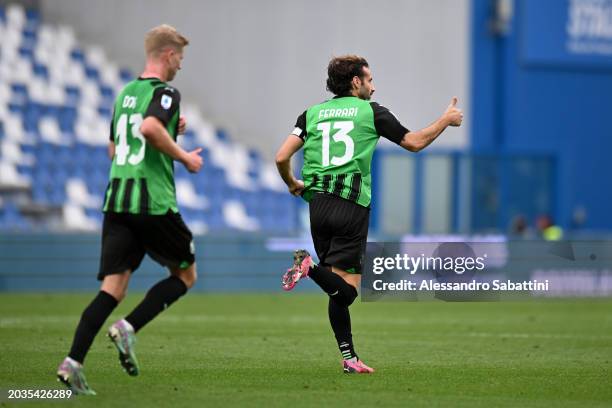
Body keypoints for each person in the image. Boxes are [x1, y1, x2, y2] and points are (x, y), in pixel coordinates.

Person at [275, 55, 462, 373]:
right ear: (355, 82)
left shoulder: (311, 115)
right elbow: (413, 142)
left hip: (318, 206)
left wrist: (293, 183)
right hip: (350, 206)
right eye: (370, 80)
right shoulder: (371, 113)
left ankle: (349, 358)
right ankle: (307, 267)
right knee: (347, 292)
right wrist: (445, 120)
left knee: (336, 289)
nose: (374, 87)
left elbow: (281, 156)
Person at [57, 24, 203, 395]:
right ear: (169, 55)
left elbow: (113, 148)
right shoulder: (166, 92)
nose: (180, 66)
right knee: (185, 276)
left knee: (113, 288)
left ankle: (72, 363)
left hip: (117, 199)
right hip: (152, 201)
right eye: (180, 58)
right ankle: (128, 328)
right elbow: (152, 128)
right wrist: (184, 155)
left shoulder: (125, 94)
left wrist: (172, 132)